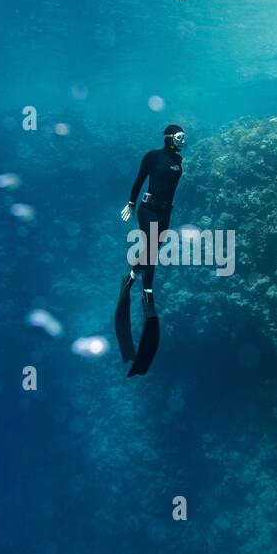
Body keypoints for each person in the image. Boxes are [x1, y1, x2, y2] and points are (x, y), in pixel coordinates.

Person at [115, 124, 185, 375]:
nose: (182, 141)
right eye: (179, 137)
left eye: (184, 137)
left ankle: (132, 276)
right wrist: (131, 203)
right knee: (153, 247)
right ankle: (147, 293)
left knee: (155, 246)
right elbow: (139, 179)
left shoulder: (178, 159)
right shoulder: (153, 156)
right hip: (148, 210)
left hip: (165, 213)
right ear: (168, 138)